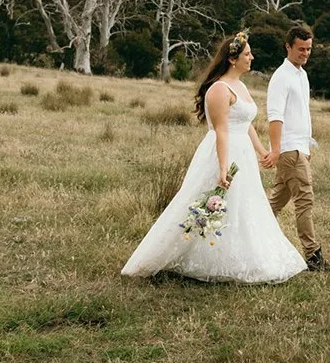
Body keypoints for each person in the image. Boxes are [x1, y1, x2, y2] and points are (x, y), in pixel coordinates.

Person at [122, 31, 306, 284]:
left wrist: (262, 151)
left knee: (242, 206)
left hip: (242, 154)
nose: (252, 57)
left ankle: (236, 257)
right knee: (210, 204)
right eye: (247, 54)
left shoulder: (240, 86)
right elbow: (222, 130)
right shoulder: (219, 89)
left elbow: (245, 122)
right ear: (233, 59)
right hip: (224, 153)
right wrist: (222, 168)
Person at [263, 23, 330, 271]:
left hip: (299, 148)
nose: (305, 54)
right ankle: (314, 257)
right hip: (288, 150)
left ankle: (250, 235)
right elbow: (275, 116)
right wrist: (278, 149)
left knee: (274, 204)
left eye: (309, 49)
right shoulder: (281, 77)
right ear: (288, 47)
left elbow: (301, 115)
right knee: (305, 200)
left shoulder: (301, 75)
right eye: (301, 49)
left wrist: (307, 148)